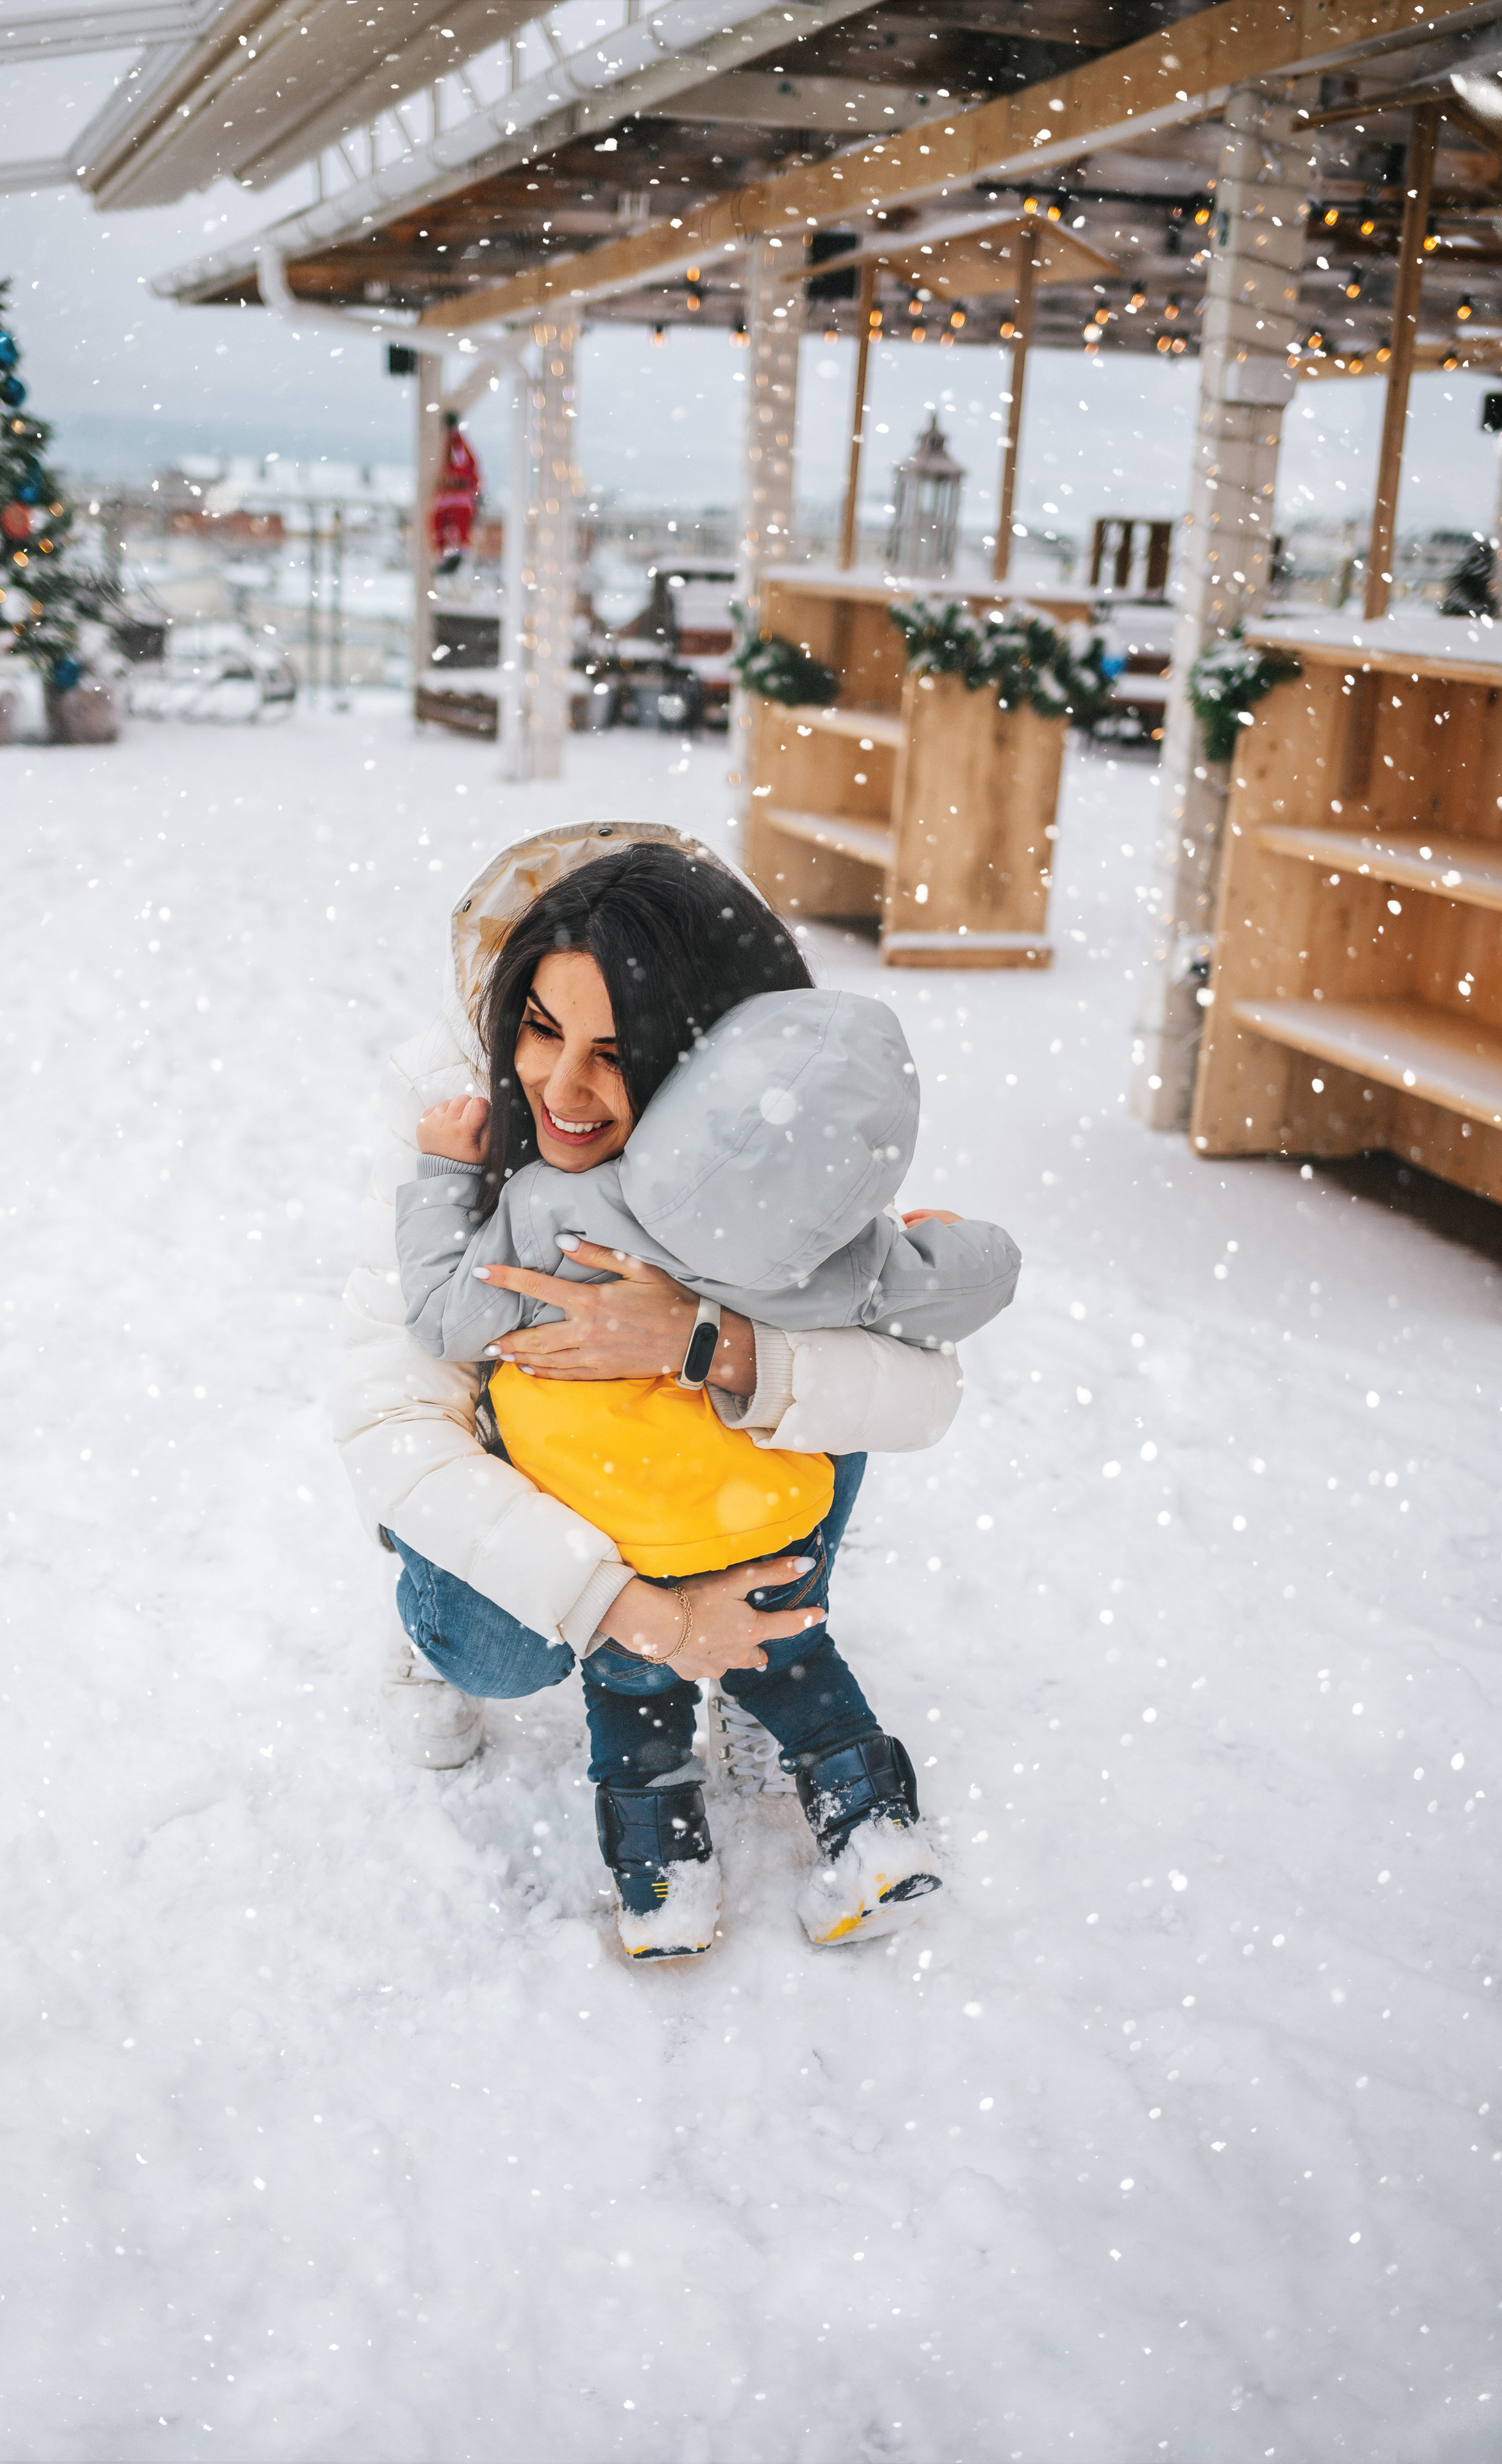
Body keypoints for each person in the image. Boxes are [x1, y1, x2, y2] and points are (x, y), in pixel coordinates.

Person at [333, 823, 990, 1957]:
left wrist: (712, 1345)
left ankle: (758, 1633)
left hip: (698, 1467)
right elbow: (392, 1408)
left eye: (620, 1049)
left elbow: (917, 1389)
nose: (565, 1088)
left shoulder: (759, 1124)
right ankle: (455, 1634)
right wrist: (639, 1614)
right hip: (543, 1470)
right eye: (541, 1029)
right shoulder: (454, 1113)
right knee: (515, 1652)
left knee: (813, 1356)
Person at [429, 410, 480, 575]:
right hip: (458, 498)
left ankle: (447, 558)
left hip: (454, 498)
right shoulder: (465, 469)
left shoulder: (463, 469)